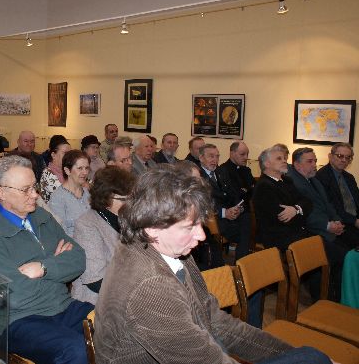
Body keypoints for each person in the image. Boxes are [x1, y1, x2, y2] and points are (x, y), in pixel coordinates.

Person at [94, 168, 332, 364]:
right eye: (190, 227)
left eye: (200, 224)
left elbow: (214, 321)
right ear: (151, 227)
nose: (201, 236)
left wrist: (291, 354)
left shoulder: (171, 250)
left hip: (197, 345)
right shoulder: (149, 286)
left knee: (310, 357)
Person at [0, 155, 91, 364]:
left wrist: (44, 267)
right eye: (26, 190)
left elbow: (79, 258)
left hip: (62, 306)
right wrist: (58, 270)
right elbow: (14, 296)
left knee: (115, 323)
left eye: (34, 187)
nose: (35, 194)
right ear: (1, 192)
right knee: (77, 350)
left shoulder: (41, 217)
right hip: (18, 320)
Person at [287, 147, 355, 300]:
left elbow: (328, 205)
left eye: (315, 161)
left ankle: (340, 294)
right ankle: (328, 298)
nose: (314, 165)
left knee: (350, 250)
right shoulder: (294, 183)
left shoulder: (313, 179)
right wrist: (328, 225)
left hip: (327, 227)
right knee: (344, 256)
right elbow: (307, 215)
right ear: (297, 165)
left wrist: (336, 220)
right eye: (310, 161)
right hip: (312, 231)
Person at [71, 166, 135, 304]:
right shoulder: (87, 225)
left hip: (128, 292)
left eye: (132, 198)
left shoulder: (128, 219)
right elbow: (95, 281)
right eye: (124, 199)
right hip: (100, 302)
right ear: (106, 199)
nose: (131, 204)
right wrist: (137, 290)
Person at [252, 146, 312, 251]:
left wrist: (295, 209)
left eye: (284, 158)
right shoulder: (264, 186)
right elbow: (282, 217)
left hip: (296, 231)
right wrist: (300, 210)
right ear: (267, 164)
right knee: (321, 250)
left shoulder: (287, 180)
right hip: (277, 237)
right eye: (279, 158)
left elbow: (308, 202)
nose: (284, 161)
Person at [199, 143, 251, 260]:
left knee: (246, 218)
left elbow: (233, 193)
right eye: (211, 156)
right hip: (213, 218)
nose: (215, 160)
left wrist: (238, 208)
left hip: (229, 214)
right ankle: (242, 263)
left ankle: (242, 262)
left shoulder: (221, 172)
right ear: (201, 158)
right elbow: (203, 202)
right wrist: (224, 212)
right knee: (245, 230)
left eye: (217, 156)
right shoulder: (198, 176)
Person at [315, 143, 359, 231]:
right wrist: (355, 221)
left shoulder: (349, 177)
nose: (344, 160)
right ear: (330, 156)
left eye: (348, 157)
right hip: (339, 224)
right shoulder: (322, 176)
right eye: (340, 156)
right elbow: (331, 206)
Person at [49, 150, 91, 237]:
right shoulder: (57, 198)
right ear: (67, 171)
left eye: (87, 168)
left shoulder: (88, 193)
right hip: (73, 243)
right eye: (80, 168)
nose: (85, 172)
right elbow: (60, 233)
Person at [218, 141, 255, 214]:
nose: (246, 157)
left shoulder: (246, 170)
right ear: (232, 154)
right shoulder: (223, 170)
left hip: (247, 211)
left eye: (247, 154)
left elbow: (254, 190)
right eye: (242, 154)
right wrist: (247, 190)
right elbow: (233, 195)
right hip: (231, 213)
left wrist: (245, 190)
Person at [39, 135, 70, 202]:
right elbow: (65, 198)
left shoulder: (67, 170)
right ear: (53, 155)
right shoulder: (47, 174)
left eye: (70, 154)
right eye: (65, 153)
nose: (69, 157)